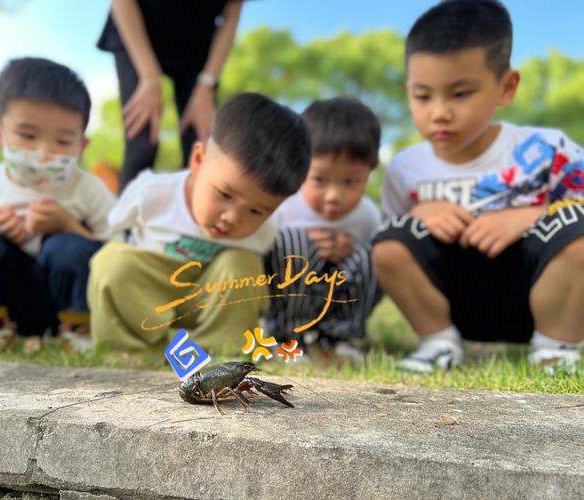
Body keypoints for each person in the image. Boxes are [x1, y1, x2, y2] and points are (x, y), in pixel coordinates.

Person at [372, 0, 584, 374]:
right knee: (388, 242)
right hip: (455, 304)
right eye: (423, 96)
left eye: (460, 93)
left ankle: (556, 348)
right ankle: (438, 343)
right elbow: (394, 249)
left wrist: (534, 214)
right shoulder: (406, 168)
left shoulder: (548, 151)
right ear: (408, 91)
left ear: (506, 87)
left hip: (538, 298)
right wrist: (419, 214)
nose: (439, 112)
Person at [88, 92, 310, 355]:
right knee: (112, 260)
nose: (232, 217)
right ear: (198, 160)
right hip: (147, 298)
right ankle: (128, 352)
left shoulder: (266, 230)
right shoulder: (150, 193)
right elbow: (110, 233)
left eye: (256, 210)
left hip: (207, 302)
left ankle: (219, 355)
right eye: (224, 195)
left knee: (244, 266)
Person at [0, 57, 116, 355]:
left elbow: (118, 252)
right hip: (5, 301)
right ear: (0, 134)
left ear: (81, 146)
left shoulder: (88, 188)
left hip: (68, 303)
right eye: (27, 136)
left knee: (69, 246)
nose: (44, 152)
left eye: (62, 140)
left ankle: (79, 334)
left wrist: (69, 226)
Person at [264, 97, 383, 361]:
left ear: (369, 173)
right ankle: (286, 337)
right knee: (291, 241)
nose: (333, 196)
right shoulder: (284, 205)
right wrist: (307, 246)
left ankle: (337, 337)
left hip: (336, 294)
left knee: (378, 252)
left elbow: (371, 275)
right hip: (290, 295)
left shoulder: (366, 214)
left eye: (351, 182)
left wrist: (352, 249)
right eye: (319, 179)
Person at [97, 0, 243, 192]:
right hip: (136, 28)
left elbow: (231, 16)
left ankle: (193, 219)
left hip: (196, 48)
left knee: (199, 146)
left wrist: (206, 86)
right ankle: (125, 221)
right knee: (142, 141)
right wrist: (149, 77)